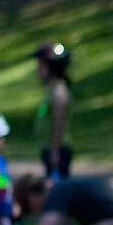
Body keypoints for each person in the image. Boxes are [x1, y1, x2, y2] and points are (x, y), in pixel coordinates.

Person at [32, 42, 74, 181]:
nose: (37, 70)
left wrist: (55, 150)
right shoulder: (51, 89)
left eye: (40, 65)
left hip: (57, 149)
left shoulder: (58, 91)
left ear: (52, 66)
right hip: (51, 147)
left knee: (58, 188)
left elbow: (59, 120)